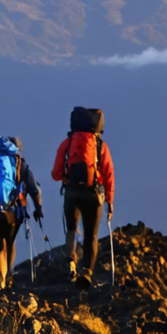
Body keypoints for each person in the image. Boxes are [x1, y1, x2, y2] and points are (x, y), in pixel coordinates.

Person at [51, 107, 115, 290]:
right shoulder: (101, 145)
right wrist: (110, 201)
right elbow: (108, 174)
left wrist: (65, 178)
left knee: (71, 229)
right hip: (94, 195)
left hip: (71, 193)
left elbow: (55, 173)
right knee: (91, 235)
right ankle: (87, 272)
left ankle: (71, 261)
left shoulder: (68, 142)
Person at [0, 136, 43, 291]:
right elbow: (33, 188)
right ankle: (9, 276)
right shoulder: (19, 164)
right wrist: (38, 208)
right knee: (9, 243)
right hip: (12, 212)